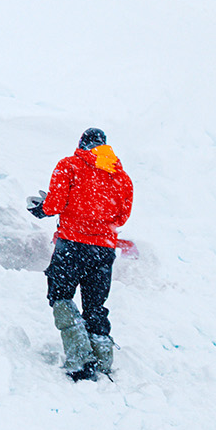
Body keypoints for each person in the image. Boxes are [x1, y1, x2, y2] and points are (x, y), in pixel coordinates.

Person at [28, 127, 134, 381]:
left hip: (72, 246)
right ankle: (104, 360)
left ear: (82, 144)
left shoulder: (70, 165)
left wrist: (42, 209)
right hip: (104, 249)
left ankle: (79, 360)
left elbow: (55, 204)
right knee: (96, 304)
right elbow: (122, 217)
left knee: (61, 296)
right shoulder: (121, 177)